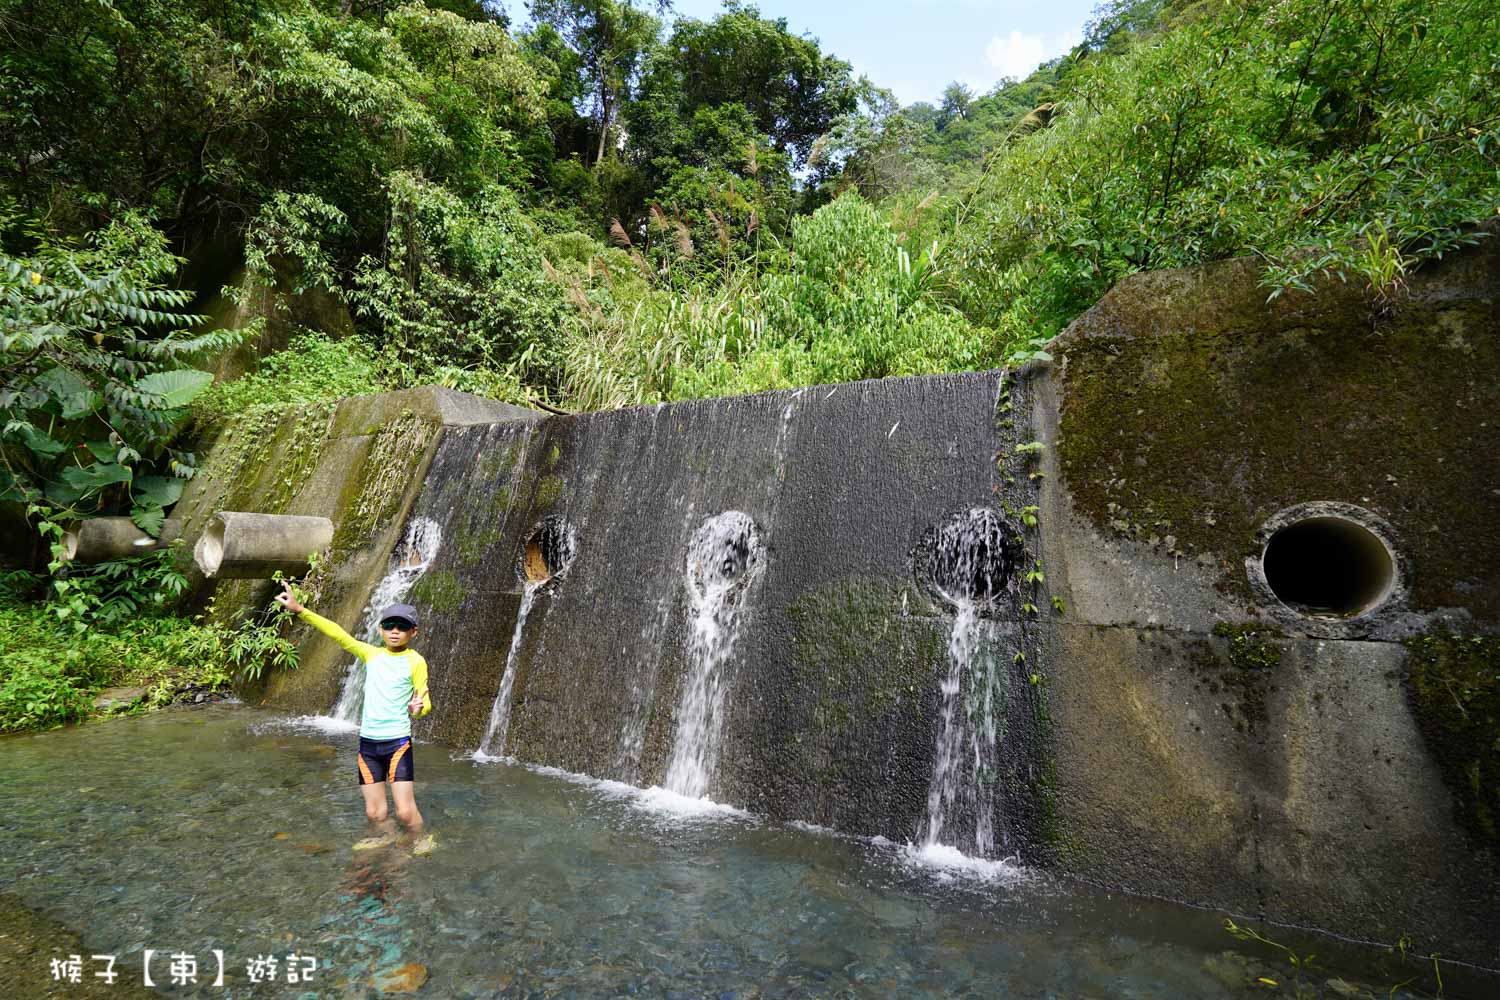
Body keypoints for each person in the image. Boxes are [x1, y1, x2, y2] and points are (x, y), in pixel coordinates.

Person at [275, 582, 433, 844]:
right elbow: (339, 635)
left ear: (413, 632)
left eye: (402, 627)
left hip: (397, 743)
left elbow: (423, 701)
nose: (395, 632)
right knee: (375, 812)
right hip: (368, 744)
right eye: (389, 626)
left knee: (405, 812)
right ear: (380, 629)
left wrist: (418, 709)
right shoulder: (371, 654)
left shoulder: (416, 661)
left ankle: (421, 839)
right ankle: (388, 842)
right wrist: (300, 610)